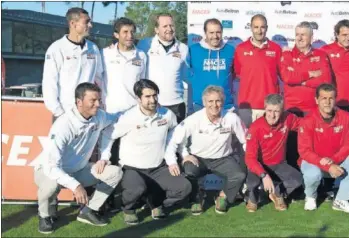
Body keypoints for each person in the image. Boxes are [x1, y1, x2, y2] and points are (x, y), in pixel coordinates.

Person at [34, 83, 122, 234]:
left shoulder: (99, 116)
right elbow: (51, 166)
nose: (98, 104)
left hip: (79, 170)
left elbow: (117, 119)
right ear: (79, 102)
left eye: (99, 100)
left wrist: (105, 156)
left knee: (115, 172)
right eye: (93, 100)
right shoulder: (63, 125)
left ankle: (89, 211)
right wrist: (76, 186)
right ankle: (44, 216)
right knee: (50, 186)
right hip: (49, 170)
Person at [99, 79, 191, 224]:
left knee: (184, 187)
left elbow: (176, 132)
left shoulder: (166, 114)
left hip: (158, 168)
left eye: (154, 95)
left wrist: (179, 156)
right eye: (147, 97)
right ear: (138, 99)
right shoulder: (127, 117)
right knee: (137, 188)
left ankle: (155, 203)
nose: (152, 100)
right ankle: (129, 208)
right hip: (133, 169)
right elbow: (107, 135)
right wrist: (104, 157)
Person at [167, 85, 247, 215]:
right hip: (198, 158)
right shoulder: (193, 120)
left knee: (239, 175)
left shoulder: (232, 118)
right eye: (210, 101)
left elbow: (245, 140)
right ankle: (197, 197)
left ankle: (222, 196)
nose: (214, 105)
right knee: (189, 171)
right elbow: (172, 140)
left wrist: (249, 157)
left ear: (223, 102)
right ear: (204, 103)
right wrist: (179, 158)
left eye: (218, 101)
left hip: (223, 159)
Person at [298, 83, 349, 212]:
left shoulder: (345, 116)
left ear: (335, 99)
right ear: (316, 100)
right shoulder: (308, 120)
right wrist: (327, 165)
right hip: (315, 161)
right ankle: (310, 197)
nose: (327, 102)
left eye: (331, 98)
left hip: (336, 160)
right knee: (312, 173)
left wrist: (333, 160)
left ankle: (341, 200)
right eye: (323, 98)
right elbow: (304, 151)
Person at [244, 94, 303, 212]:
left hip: (279, 163)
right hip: (259, 164)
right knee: (252, 184)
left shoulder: (288, 118)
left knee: (297, 180)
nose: (272, 115)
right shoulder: (256, 128)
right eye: (269, 110)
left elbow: (306, 124)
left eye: (277, 111)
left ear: (282, 111)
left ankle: (277, 193)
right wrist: (263, 175)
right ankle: (252, 197)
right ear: (265, 109)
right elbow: (250, 158)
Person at [42, 8, 103, 118]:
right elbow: (49, 84)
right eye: (86, 22)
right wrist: (59, 113)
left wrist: (99, 105)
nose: (90, 25)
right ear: (73, 24)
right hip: (65, 114)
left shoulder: (93, 48)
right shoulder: (57, 49)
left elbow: (99, 79)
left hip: (89, 114)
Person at [137, 13, 189, 123]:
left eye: (171, 25)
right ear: (156, 29)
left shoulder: (183, 48)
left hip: (177, 105)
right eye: (165, 26)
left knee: (176, 140)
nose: (169, 29)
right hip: (152, 104)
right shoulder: (144, 44)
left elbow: (188, 75)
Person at [233, 14, 282, 127]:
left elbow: (282, 74)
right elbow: (238, 73)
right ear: (251, 28)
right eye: (256, 27)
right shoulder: (240, 49)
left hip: (270, 107)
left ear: (267, 28)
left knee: (269, 143)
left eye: (262, 27)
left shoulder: (276, 49)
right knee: (246, 142)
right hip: (247, 107)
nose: (259, 31)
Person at [321, 19, 349, 137]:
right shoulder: (326, 50)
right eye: (344, 35)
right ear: (336, 34)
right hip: (334, 103)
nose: (348, 38)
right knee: (334, 139)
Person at [279, 21, 332, 116]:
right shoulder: (287, 54)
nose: (299, 38)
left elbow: (325, 81)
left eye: (303, 35)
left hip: (314, 110)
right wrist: (310, 74)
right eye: (297, 35)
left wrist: (300, 80)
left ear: (311, 38)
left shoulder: (321, 55)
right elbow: (287, 78)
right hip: (291, 109)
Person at [187, 19, 235, 112]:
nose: (215, 36)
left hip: (226, 106)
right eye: (211, 32)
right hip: (200, 106)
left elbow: (236, 73)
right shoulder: (193, 50)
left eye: (218, 32)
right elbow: (185, 74)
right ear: (205, 33)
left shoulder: (231, 50)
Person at [101, 17, 147, 116]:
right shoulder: (105, 54)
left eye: (132, 32)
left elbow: (143, 83)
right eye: (125, 32)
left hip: (135, 111)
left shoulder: (141, 55)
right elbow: (97, 80)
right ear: (116, 35)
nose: (130, 36)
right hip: (110, 111)